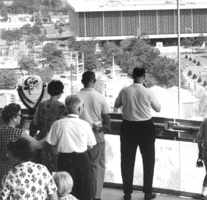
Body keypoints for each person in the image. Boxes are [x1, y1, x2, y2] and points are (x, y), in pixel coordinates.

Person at [114, 67, 161, 200]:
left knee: (127, 160)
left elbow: (116, 105)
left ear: (132, 76)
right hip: (146, 127)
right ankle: (148, 192)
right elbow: (158, 108)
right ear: (144, 77)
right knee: (148, 160)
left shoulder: (125, 91)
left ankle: (127, 193)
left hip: (128, 127)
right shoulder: (148, 92)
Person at [42, 94, 96, 200]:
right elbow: (91, 145)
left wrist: (55, 156)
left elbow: (50, 144)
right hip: (82, 159)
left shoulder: (58, 124)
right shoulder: (85, 124)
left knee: (64, 189)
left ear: (66, 108)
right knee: (84, 189)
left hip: (64, 159)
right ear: (79, 108)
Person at [0, 103, 35, 199]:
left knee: (0, 192)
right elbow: (38, 145)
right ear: (14, 118)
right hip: (15, 167)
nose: (21, 117)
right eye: (20, 115)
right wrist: (50, 134)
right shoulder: (19, 132)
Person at [76, 71, 111, 200]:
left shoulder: (75, 97)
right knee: (97, 165)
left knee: (80, 165)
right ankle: (95, 195)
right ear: (94, 81)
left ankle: (82, 194)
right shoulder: (100, 97)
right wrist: (104, 128)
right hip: (96, 134)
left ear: (82, 81)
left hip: (78, 135)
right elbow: (106, 119)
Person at [30, 80, 67, 172]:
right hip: (56, 141)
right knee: (55, 168)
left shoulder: (41, 105)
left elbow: (35, 122)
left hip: (42, 139)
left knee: (42, 168)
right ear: (60, 92)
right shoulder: (62, 107)